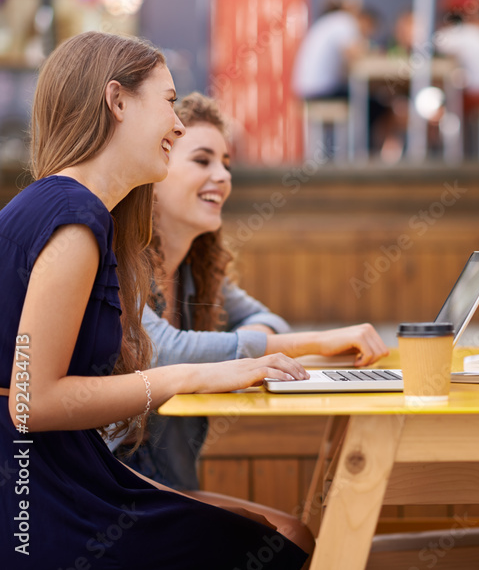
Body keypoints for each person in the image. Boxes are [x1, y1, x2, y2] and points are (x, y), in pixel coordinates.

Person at [0, 31, 310, 568]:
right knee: (276, 545)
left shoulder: (62, 206)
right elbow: (32, 403)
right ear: (117, 102)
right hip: (38, 496)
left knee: (279, 533)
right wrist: (186, 375)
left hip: (56, 474)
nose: (179, 123)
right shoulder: (75, 219)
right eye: (169, 101)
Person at [111, 92, 389, 492]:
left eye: (226, 164)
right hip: (111, 483)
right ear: (155, 174)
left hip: (166, 484)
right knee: (286, 537)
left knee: (287, 536)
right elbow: (161, 351)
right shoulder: (122, 258)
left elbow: (268, 321)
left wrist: (230, 348)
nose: (223, 177)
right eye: (202, 160)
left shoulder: (194, 269)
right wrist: (317, 341)